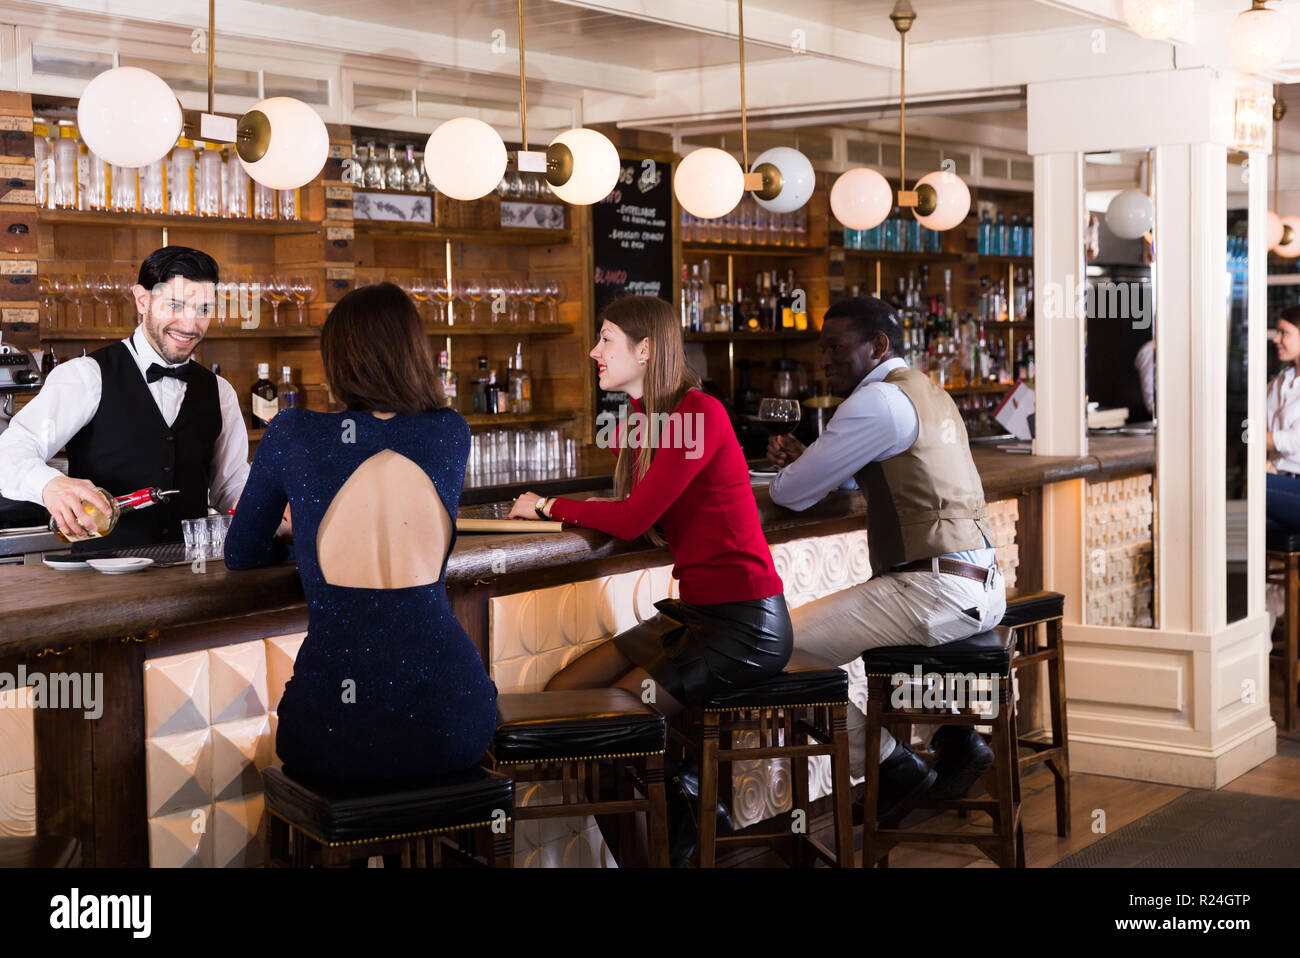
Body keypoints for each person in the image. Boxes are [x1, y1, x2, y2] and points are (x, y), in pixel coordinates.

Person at [508, 295, 792, 862]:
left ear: (645, 348)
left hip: (745, 626)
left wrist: (547, 505)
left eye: (606, 338)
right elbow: (638, 512)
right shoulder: (647, 419)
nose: (594, 350)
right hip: (698, 617)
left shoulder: (698, 413)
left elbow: (635, 517)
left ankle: (677, 828)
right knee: (565, 699)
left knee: (606, 725)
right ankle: (685, 800)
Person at [224, 282, 496, 782]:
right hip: (454, 717)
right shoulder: (450, 430)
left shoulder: (291, 430)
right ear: (414, 352)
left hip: (336, 727)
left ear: (338, 359)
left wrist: (300, 534)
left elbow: (241, 553)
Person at [766, 296, 1007, 821]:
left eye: (836, 347)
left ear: (877, 346)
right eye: (821, 347)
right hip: (983, 587)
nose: (825, 359)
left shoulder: (872, 402)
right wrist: (816, 460)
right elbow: (859, 472)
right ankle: (955, 739)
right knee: (788, 649)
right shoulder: (927, 392)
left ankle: (893, 766)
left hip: (934, 590)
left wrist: (799, 470)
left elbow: (790, 494)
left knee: (770, 650)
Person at [0, 246, 248, 548]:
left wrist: (273, 513)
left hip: (190, 576)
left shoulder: (219, 391)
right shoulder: (86, 376)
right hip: (101, 578)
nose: (190, 324)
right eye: (175, 305)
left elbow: (231, 486)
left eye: (203, 309)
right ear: (142, 300)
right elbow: (10, 452)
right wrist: (49, 485)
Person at [1266, 307, 1300, 534]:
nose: (1276, 339)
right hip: (1278, 481)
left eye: (1283, 332)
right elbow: (1248, 425)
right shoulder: (1278, 382)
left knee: (1256, 484)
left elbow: (1296, 441)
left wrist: (1260, 439)